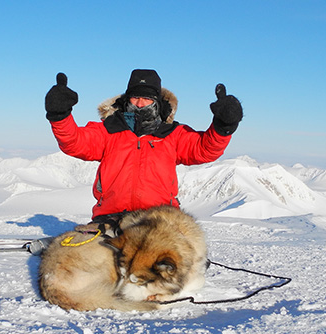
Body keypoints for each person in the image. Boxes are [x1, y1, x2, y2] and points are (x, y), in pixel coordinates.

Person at [44, 69, 243, 223]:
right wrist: (59, 115)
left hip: (161, 219)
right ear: (126, 99)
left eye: (147, 98)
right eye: (135, 97)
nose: (140, 103)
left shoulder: (172, 134)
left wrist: (224, 125)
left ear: (157, 102)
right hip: (111, 217)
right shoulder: (109, 130)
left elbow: (204, 149)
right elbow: (74, 142)